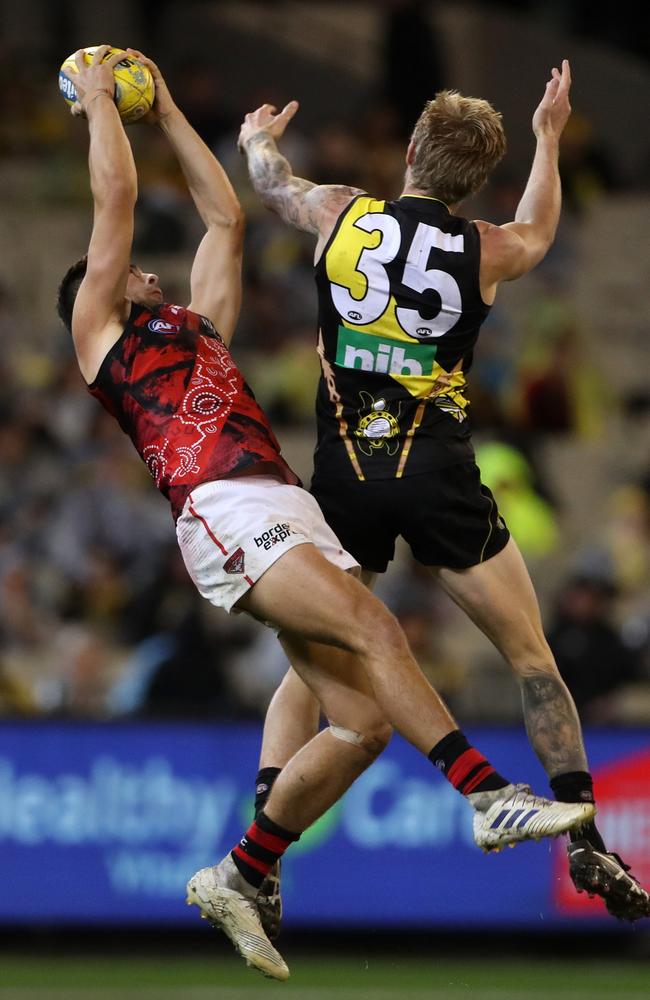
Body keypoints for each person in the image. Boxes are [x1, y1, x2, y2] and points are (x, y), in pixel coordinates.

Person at [56, 48, 597, 978]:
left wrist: (176, 111)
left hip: (290, 502)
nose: (142, 273)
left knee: (362, 723)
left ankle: (242, 871)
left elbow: (228, 214)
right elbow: (115, 208)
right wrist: (106, 108)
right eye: (122, 274)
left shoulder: (196, 330)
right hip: (223, 510)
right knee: (375, 626)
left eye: (144, 272)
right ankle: (485, 795)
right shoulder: (103, 339)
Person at [239, 59, 650, 925]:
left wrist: (257, 141)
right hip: (437, 473)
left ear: (414, 149)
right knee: (533, 657)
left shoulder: (339, 212)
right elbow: (540, 226)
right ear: (474, 181)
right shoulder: (488, 249)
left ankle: (267, 831)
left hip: (343, 474)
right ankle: (585, 838)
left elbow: (274, 186)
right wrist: (547, 137)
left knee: (316, 658)